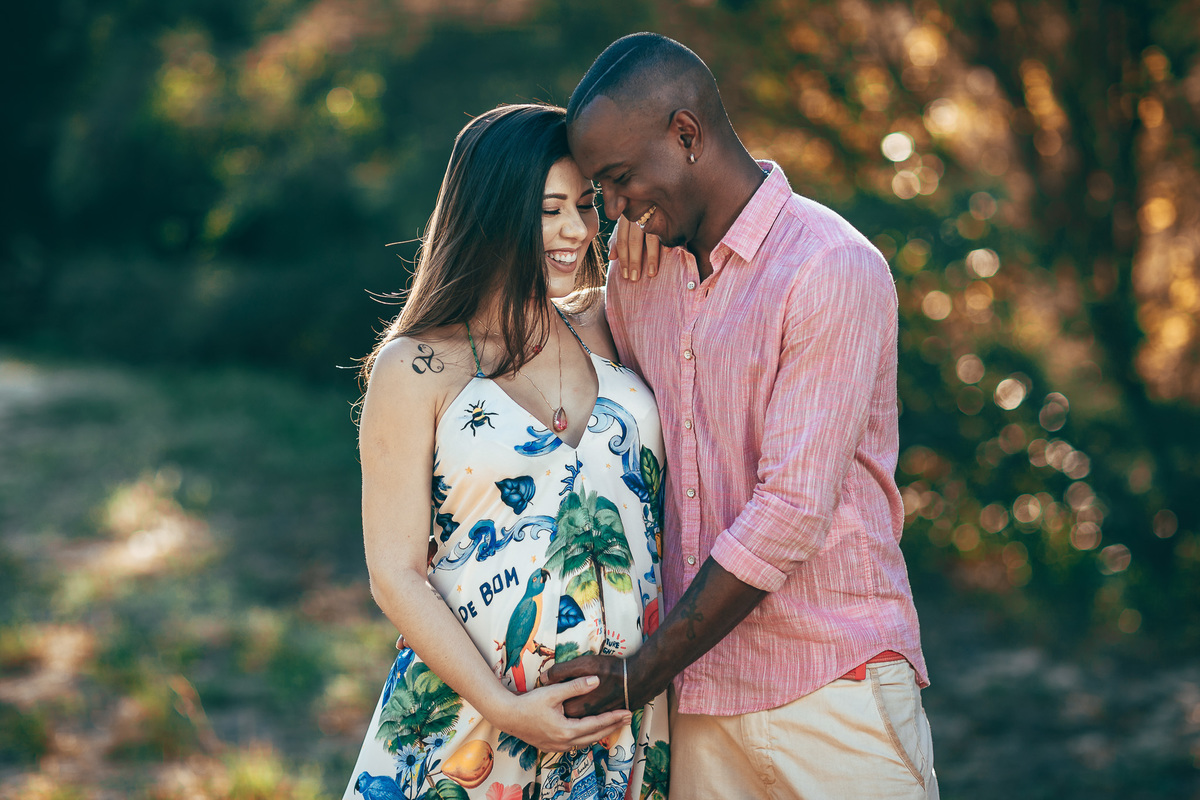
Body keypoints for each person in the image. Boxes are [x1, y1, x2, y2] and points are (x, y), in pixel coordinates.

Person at [544, 33, 939, 799]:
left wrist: (640, 671)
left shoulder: (830, 266)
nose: (615, 209)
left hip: (833, 687)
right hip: (697, 705)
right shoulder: (638, 266)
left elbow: (789, 511)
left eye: (622, 180)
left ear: (687, 135)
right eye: (603, 192)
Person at [344, 103, 670, 800]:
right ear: (491, 212)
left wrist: (651, 246)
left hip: (620, 721)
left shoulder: (608, 320)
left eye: (585, 206)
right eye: (549, 210)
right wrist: (505, 709)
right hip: (474, 723)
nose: (577, 231)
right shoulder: (417, 365)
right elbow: (394, 575)